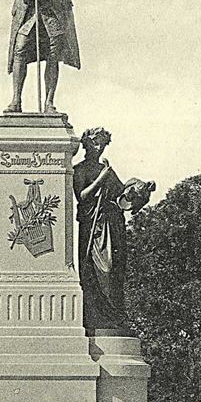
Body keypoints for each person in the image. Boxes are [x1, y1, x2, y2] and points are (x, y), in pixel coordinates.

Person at [73, 128, 155, 333]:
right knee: (102, 270)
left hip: (112, 224)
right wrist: (101, 177)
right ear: (86, 144)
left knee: (116, 271)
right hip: (94, 227)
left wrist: (140, 189)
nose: (99, 148)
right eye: (95, 143)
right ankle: (98, 319)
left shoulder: (108, 170)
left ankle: (114, 318)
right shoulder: (80, 169)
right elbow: (81, 196)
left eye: (103, 143)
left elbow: (122, 195)